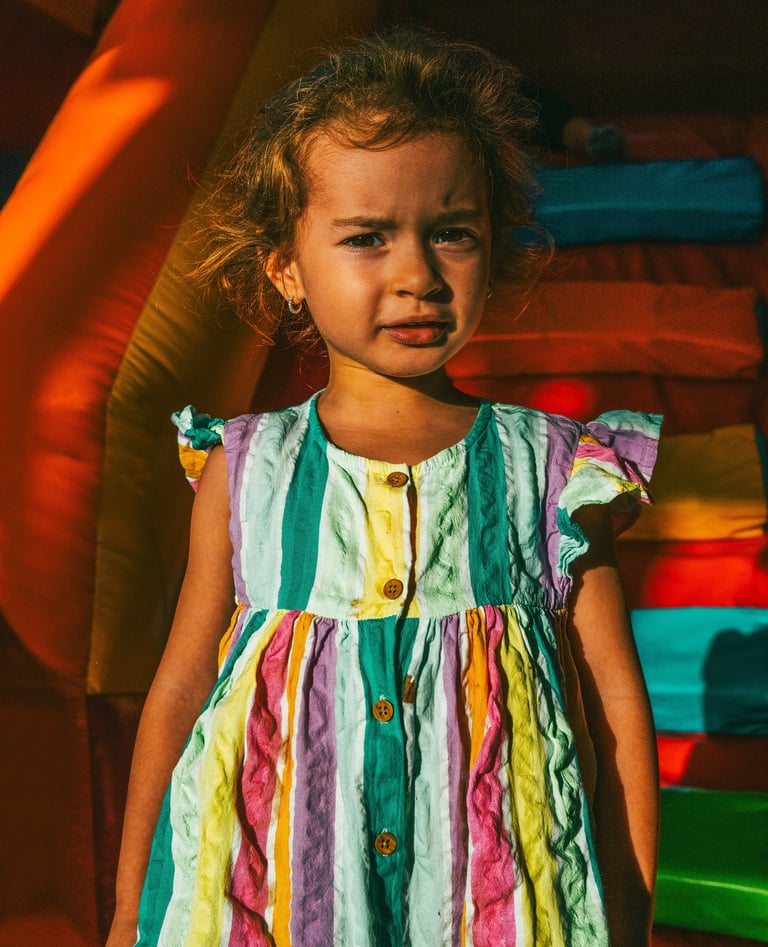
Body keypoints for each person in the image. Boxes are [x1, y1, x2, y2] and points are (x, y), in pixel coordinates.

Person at [107, 29, 660, 947]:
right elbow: (179, 691)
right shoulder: (246, 467)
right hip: (279, 898)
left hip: (494, 905)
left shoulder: (556, 471)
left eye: (452, 233)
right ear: (286, 267)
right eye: (368, 238)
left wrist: (628, 910)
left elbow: (616, 706)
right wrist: (132, 909)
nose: (418, 275)